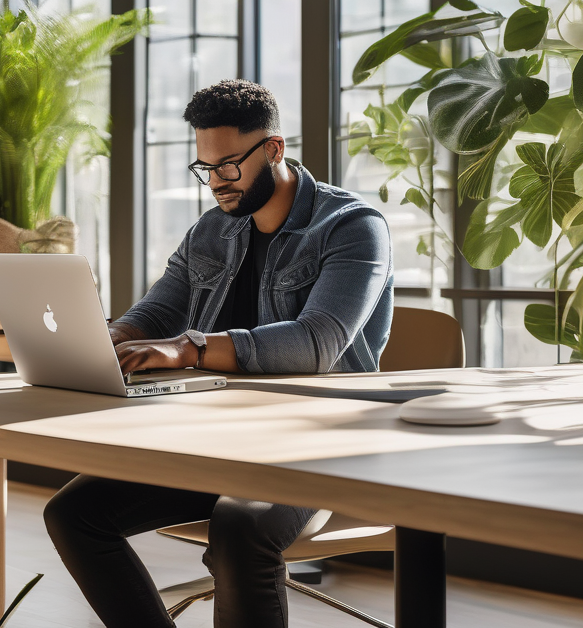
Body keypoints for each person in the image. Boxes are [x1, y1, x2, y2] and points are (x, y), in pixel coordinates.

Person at [44, 79, 394, 628]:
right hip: (218, 439)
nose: (216, 184)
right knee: (74, 514)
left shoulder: (352, 227)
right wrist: (104, 339)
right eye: (204, 168)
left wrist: (189, 348)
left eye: (228, 166)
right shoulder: (212, 229)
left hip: (320, 444)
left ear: (274, 149)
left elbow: (319, 342)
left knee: (239, 526)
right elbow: (157, 313)